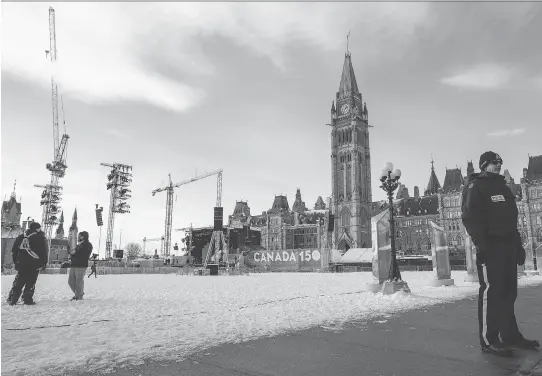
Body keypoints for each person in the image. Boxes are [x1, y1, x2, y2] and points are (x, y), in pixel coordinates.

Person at [462, 151, 540, 356]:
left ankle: (510, 336)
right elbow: (470, 217)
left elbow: (511, 220)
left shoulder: (503, 187)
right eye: (493, 163)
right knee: (491, 293)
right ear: (483, 165)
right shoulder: (475, 186)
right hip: (490, 247)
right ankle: (489, 340)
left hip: (508, 247)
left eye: (499, 162)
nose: (497, 165)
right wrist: (481, 245)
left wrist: (519, 245)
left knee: (508, 293)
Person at [7, 222, 48, 305]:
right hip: (34, 264)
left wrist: (16, 262)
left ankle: (12, 299)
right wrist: (43, 263)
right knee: (31, 282)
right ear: (38, 228)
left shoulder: (21, 236)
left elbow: (14, 250)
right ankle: (27, 299)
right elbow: (44, 252)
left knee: (18, 281)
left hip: (21, 263)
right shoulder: (40, 237)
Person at [68, 231, 93, 300]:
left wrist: (74, 254)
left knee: (79, 281)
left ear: (84, 236)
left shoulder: (88, 245)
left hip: (81, 265)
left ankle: (78, 296)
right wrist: (71, 255)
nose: (79, 237)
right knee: (70, 281)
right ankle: (79, 293)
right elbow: (75, 254)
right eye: (79, 235)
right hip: (74, 264)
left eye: (80, 236)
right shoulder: (78, 245)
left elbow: (85, 255)